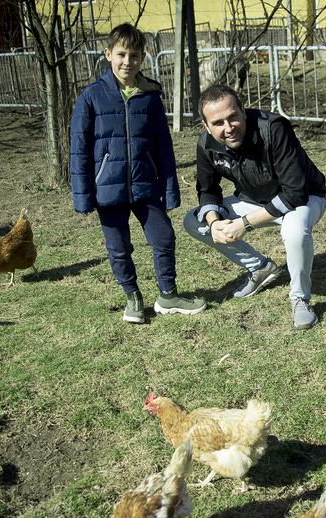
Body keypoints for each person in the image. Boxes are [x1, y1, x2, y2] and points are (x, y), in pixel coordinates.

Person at [69, 23, 205, 323]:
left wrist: (169, 189)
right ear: (108, 54)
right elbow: (78, 149)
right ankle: (132, 297)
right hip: (108, 191)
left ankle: (168, 295)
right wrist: (82, 196)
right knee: (118, 248)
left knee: (164, 238)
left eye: (133, 55)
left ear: (142, 58)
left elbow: (163, 147)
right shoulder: (91, 97)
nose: (127, 62)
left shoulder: (150, 96)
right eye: (121, 54)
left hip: (146, 186)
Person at [183, 85, 326, 330]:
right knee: (193, 221)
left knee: (293, 230)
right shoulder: (206, 144)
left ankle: (300, 299)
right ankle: (260, 268)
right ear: (206, 126)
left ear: (243, 110)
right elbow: (208, 190)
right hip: (252, 200)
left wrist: (244, 223)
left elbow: (294, 194)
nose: (228, 128)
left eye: (233, 117)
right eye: (218, 123)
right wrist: (214, 222)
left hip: (304, 199)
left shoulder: (273, 128)